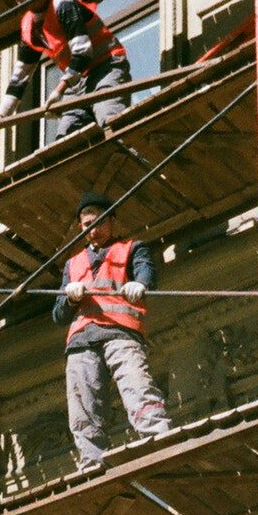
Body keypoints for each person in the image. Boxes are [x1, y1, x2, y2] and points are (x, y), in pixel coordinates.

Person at [52, 192, 171, 466]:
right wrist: (69, 298)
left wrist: (140, 284)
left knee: (136, 386)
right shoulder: (73, 264)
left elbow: (146, 272)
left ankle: (158, 436)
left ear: (112, 220)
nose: (93, 230)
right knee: (83, 407)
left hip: (120, 332)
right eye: (86, 225)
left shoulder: (131, 248)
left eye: (99, 222)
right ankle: (92, 461)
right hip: (82, 340)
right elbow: (59, 315)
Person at [0, 0, 131, 139]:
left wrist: (59, 91)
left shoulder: (62, 2)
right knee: (65, 142)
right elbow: (20, 77)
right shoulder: (29, 26)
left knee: (112, 124)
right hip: (77, 82)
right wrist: (0, 116)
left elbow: (82, 52)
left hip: (105, 66)